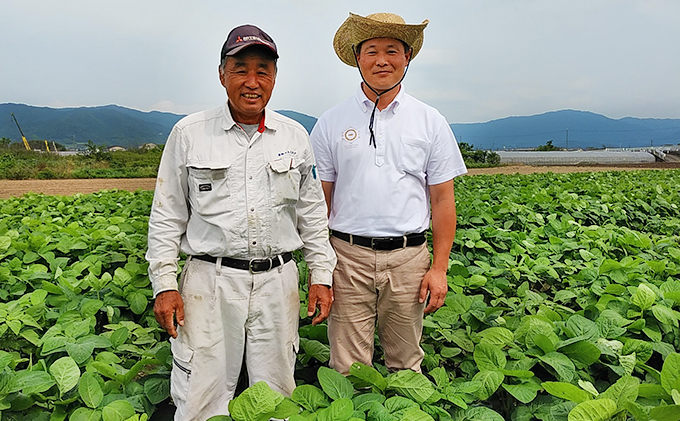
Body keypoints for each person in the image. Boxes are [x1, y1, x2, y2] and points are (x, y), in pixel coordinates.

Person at [146, 24, 336, 420]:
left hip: (277, 281)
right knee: (201, 392)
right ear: (222, 74)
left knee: (277, 393)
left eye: (262, 70)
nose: (252, 82)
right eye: (240, 69)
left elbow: (313, 215)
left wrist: (321, 275)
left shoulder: (295, 136)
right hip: (209, 281)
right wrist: (164, 285)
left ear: (274, 77)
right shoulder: (189, 134)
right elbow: (166, 217)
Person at [310, 12, 467, 375]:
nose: (382, 60)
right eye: (372, 51)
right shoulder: (331, 122)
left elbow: (443, 200)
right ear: (357, 58)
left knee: (406, 363)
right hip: (346, 257)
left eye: (392, 50)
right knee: (346, 367)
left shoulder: (430, 121)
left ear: (408, 57)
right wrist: (319, 267)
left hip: (409, 259)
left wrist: (439, 268)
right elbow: (321, 200)